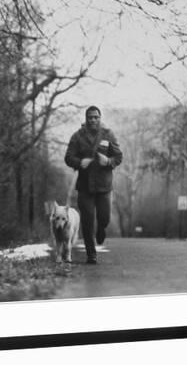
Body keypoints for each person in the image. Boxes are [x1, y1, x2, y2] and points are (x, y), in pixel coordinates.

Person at [64, 106, 123, 264]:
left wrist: (108, 161)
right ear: (86, 119)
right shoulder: (77, 136)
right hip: (85, 186)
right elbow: (68, 157)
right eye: (90, 117)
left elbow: (118, 157)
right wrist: (79, 162)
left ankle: (101, 228)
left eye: (96, 117)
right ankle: (91, 254)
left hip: (104, 186)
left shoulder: (108, 134)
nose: (93, 120)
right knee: (87, 221)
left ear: (100, 118)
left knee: (104, 217)